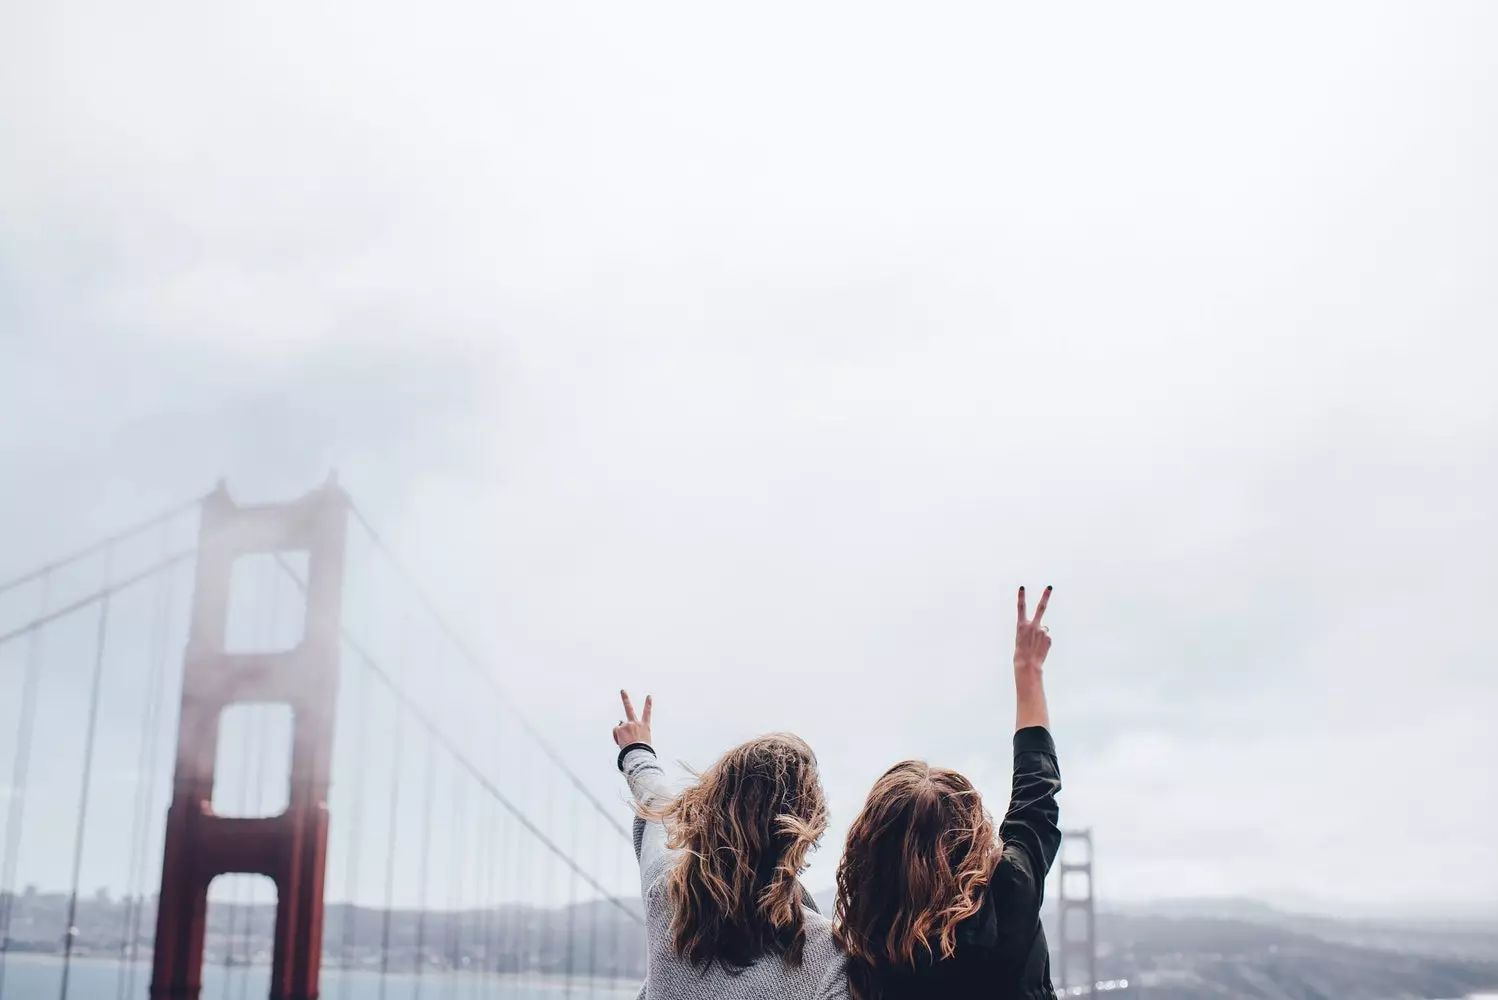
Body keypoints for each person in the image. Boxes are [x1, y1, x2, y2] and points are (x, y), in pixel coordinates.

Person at [833, 585, 1062, 1000]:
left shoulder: (866, 945)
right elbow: (1036, 798)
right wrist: (1028, 669)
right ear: (971, 834)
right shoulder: (1010, 894)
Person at [612, 690, 848, 1000]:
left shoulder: (666, 893)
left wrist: (637, 750)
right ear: (807, 829)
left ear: (710, 806)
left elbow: (656, 801)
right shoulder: (831, 959)